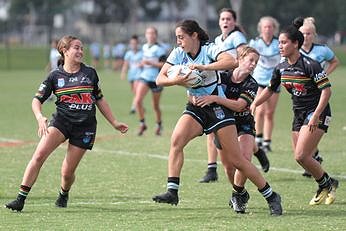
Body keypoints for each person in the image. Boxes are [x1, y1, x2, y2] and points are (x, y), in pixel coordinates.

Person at [152, 19, 282, 216]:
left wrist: (204, 68)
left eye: (181, 37)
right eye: (177, 38)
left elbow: (231, 61)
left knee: (237, 160)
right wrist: (176, 80)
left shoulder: (209, 49)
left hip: (217, 107)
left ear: (194, 35)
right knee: (176, 141)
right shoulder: (178, 53)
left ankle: (271, 195)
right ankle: (172, 191)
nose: (178, 41)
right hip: (196, 107)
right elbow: (159, 78)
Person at [4, 35, 129, 212]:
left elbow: (100, 99)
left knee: (67, 172)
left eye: (81, 48)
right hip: (61, 122)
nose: (80, 51)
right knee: (39, 156)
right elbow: (36, 100)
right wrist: (40, 117)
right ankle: (20, 199)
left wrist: (114, 122)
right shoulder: (54, 76)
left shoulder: (90, 73)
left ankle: (64, 193)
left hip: (85, 127)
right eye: (76, 48)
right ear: (65, 50)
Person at [250, 20, 339, 206]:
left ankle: (327, 185)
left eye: (284, 42)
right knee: (301, 158)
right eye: (279, 43)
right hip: (298, 114)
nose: (280, 46)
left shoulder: (310, 64)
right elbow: (270, 89)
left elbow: (326, 91)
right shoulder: (281, 67)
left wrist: (315, 115)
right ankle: (327, 183)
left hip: (317, 113)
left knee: (301, 155)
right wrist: (254, 103)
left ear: (295, 44)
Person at [195, 46, 268, 213]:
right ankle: (239, 193)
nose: (253, 64)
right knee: (229, 167)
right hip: (224, 125)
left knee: (244, 159)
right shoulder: (222, 77)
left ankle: (237, 195)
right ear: (240, 60)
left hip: (244, 124)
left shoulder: (251, 83)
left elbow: (239, 105)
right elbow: (202, 86)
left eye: (256, 62)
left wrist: (215, 98)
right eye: (250, 60)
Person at [199, 8, 269, 183]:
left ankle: (215, 168)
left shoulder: (237, 39)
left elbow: (244, 57)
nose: (225, 22)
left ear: (234, 21)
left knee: (242, 142)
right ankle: (213, 168)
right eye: (222, 18)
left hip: (234, 86)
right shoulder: (217, 40)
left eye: (229, 19)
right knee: (213, 130)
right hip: (220, 81)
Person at [297, 16, 340, 177]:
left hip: (318, 95)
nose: (306, 37)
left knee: (304, 146)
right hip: (301, 100)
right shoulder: (295, 51)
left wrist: (324, 75)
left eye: (309, 34)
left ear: (314, 35)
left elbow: (335, 61)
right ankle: (314, 157)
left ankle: (315, 163)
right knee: (298, 146)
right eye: (303, 34)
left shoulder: (322, 49)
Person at [249, 16, 281, 154]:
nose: (268, 29)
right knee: (259, 110)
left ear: (274, 28)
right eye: (265, 27)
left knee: (270, 112)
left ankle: (267, 141)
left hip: (274, 80)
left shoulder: (279, 43)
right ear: (260, 29)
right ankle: (258, 139)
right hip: (259, 80)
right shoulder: (255, 43)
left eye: (270, 27)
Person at [134, 26, 167, 136]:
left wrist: (151, 63)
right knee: (137, 101)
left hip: (157, 80)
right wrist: (141, 64)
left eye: (152, 33)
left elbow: (164, 65)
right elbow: (145, 61)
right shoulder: (144, 47)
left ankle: (159, 124)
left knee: (155, 106)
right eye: (148, 33)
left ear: (156, 35)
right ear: (145, 35)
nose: (150, 35)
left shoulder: (160, 49)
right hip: (145, 77)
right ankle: (142, 123)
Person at [120, 35, 143, 114]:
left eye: (135, 43)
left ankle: (133, 107)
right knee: (134, 92)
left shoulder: (141, 53)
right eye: (132, 43)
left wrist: (142, 65)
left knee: (137, 91)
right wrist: (123, 73)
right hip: (131, 75)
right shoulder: (129, 53)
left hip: (139, 75)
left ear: (137, 44)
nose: (133, 45)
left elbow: (144, 63)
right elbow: (126, 64)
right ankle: (139, 105)